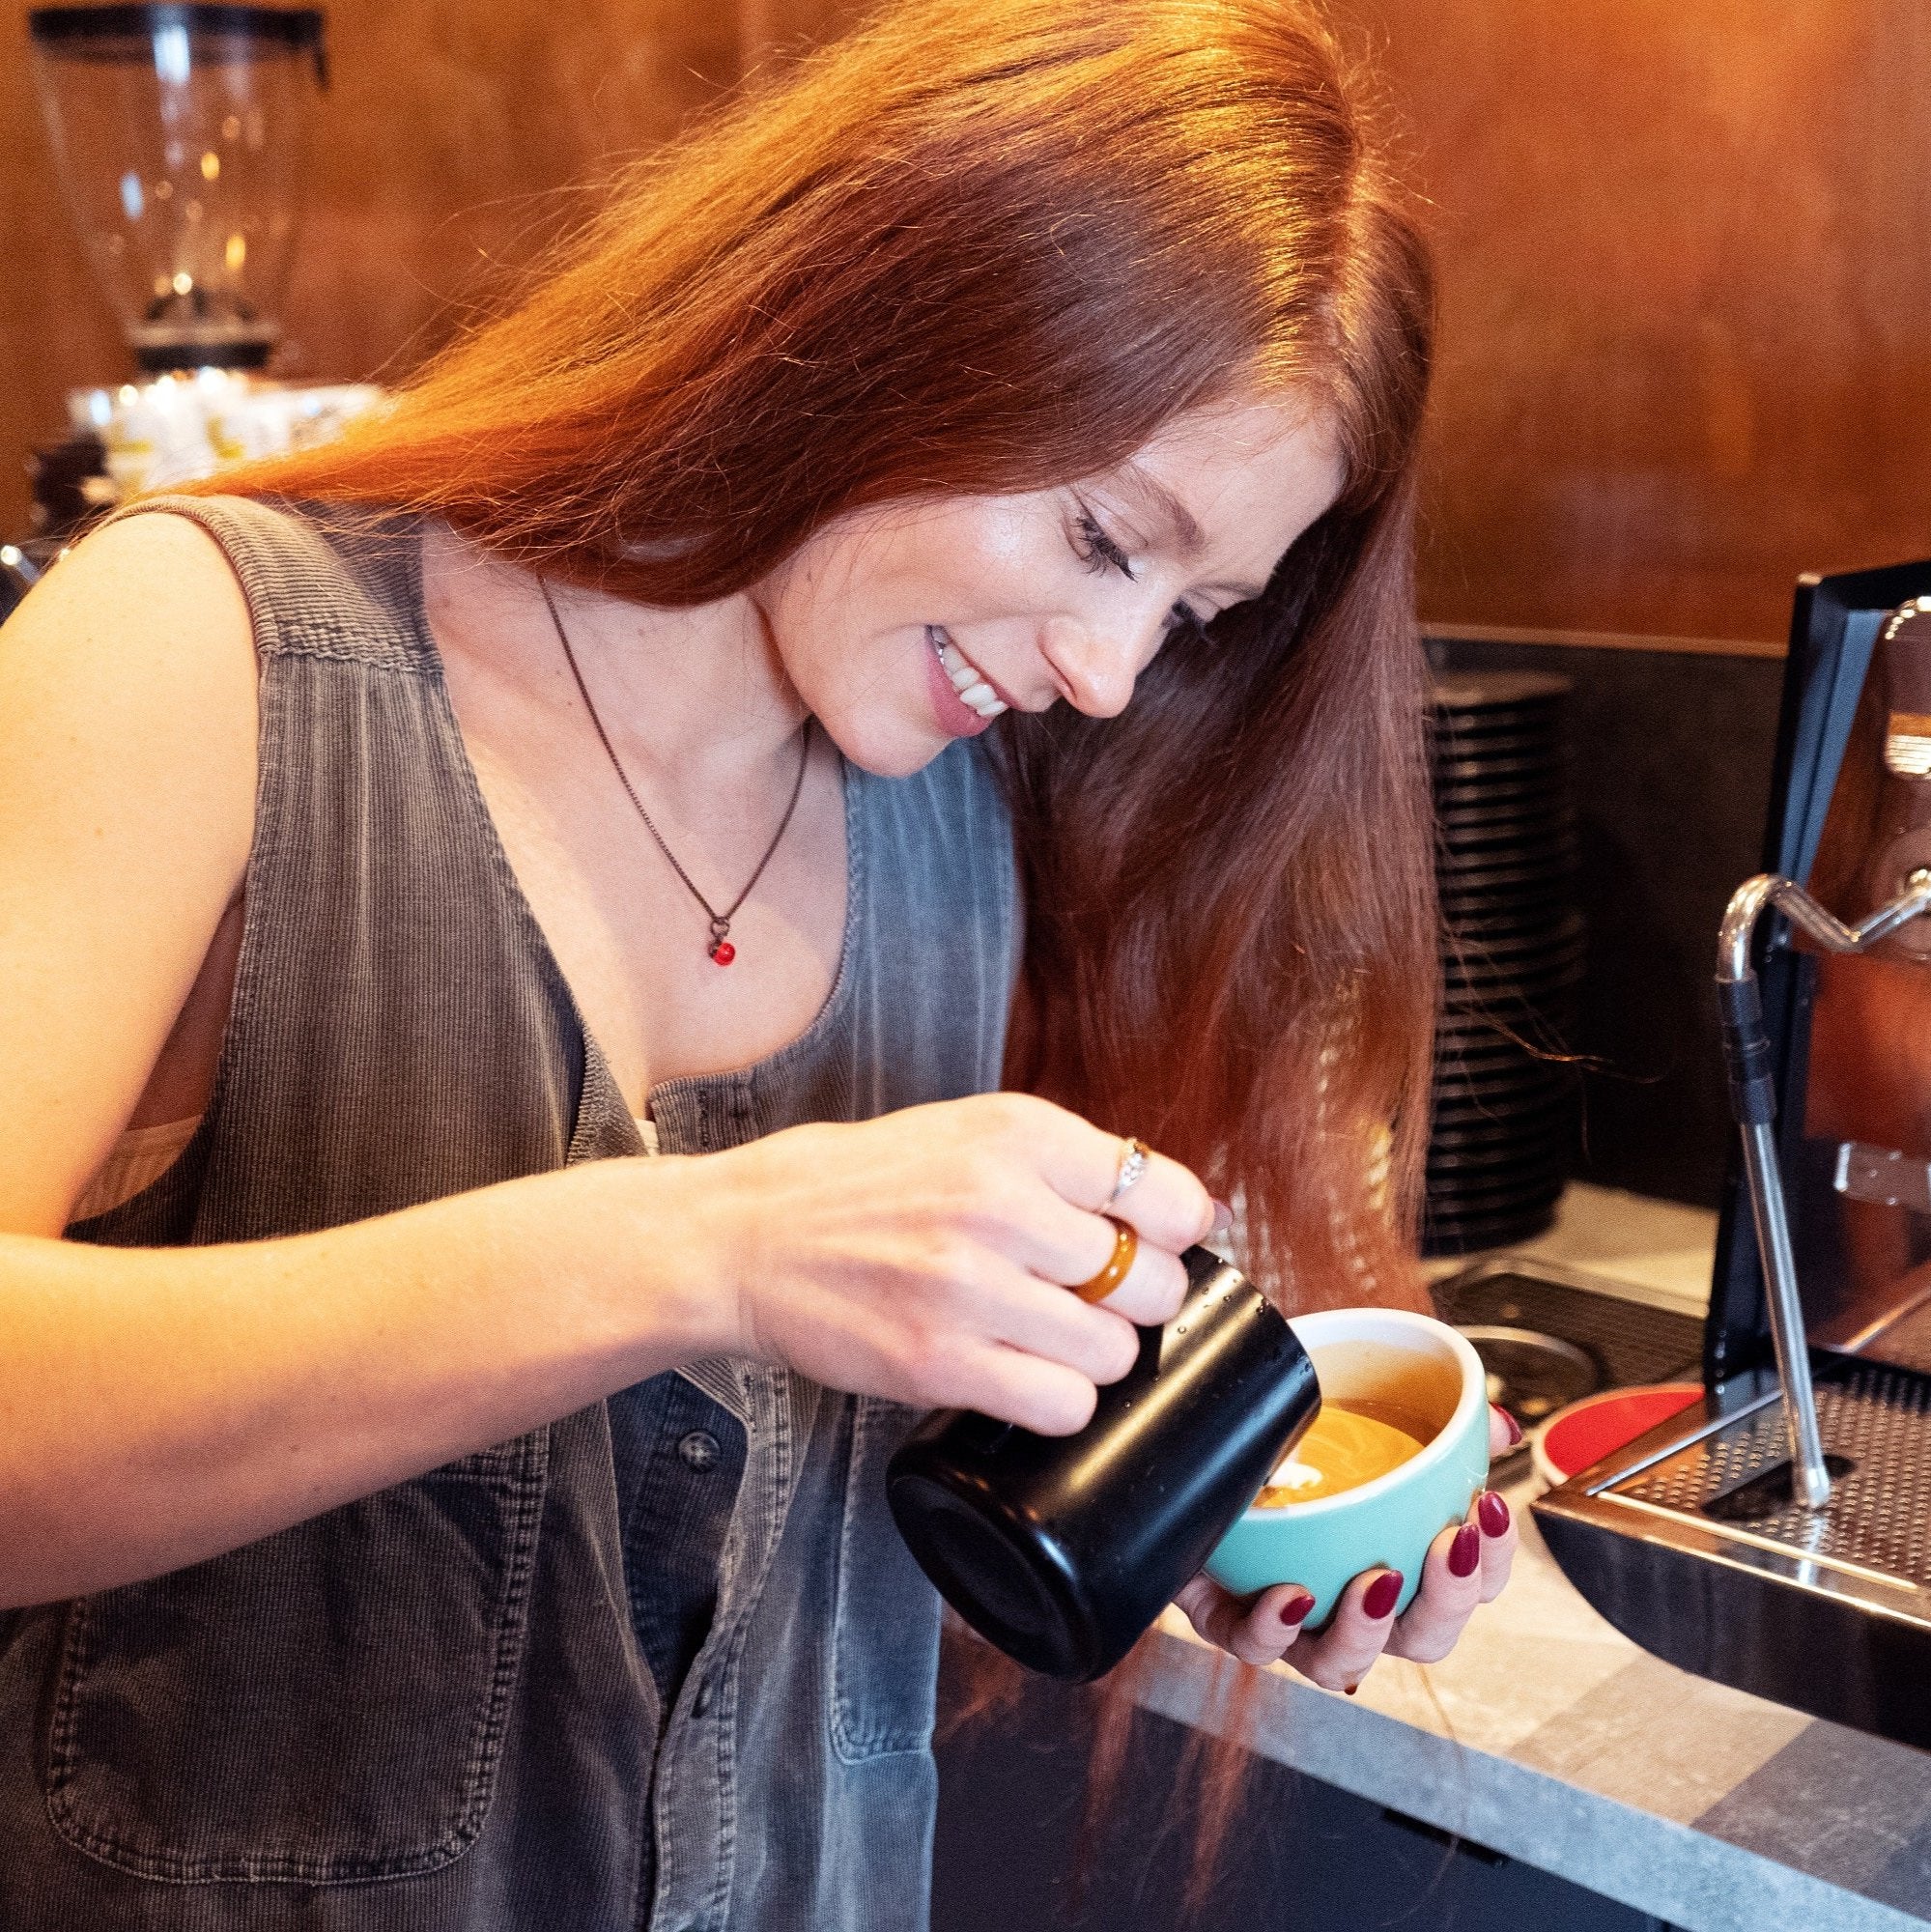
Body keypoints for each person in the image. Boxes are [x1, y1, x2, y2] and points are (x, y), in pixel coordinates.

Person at [0, 0, 1517, 1924]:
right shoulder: (201, 646)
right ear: (902, 302)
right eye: (1098, 536)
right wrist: (705, 1246)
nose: (1110, 670)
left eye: (1191, 608)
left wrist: (1173, 1497)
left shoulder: (971, 809)